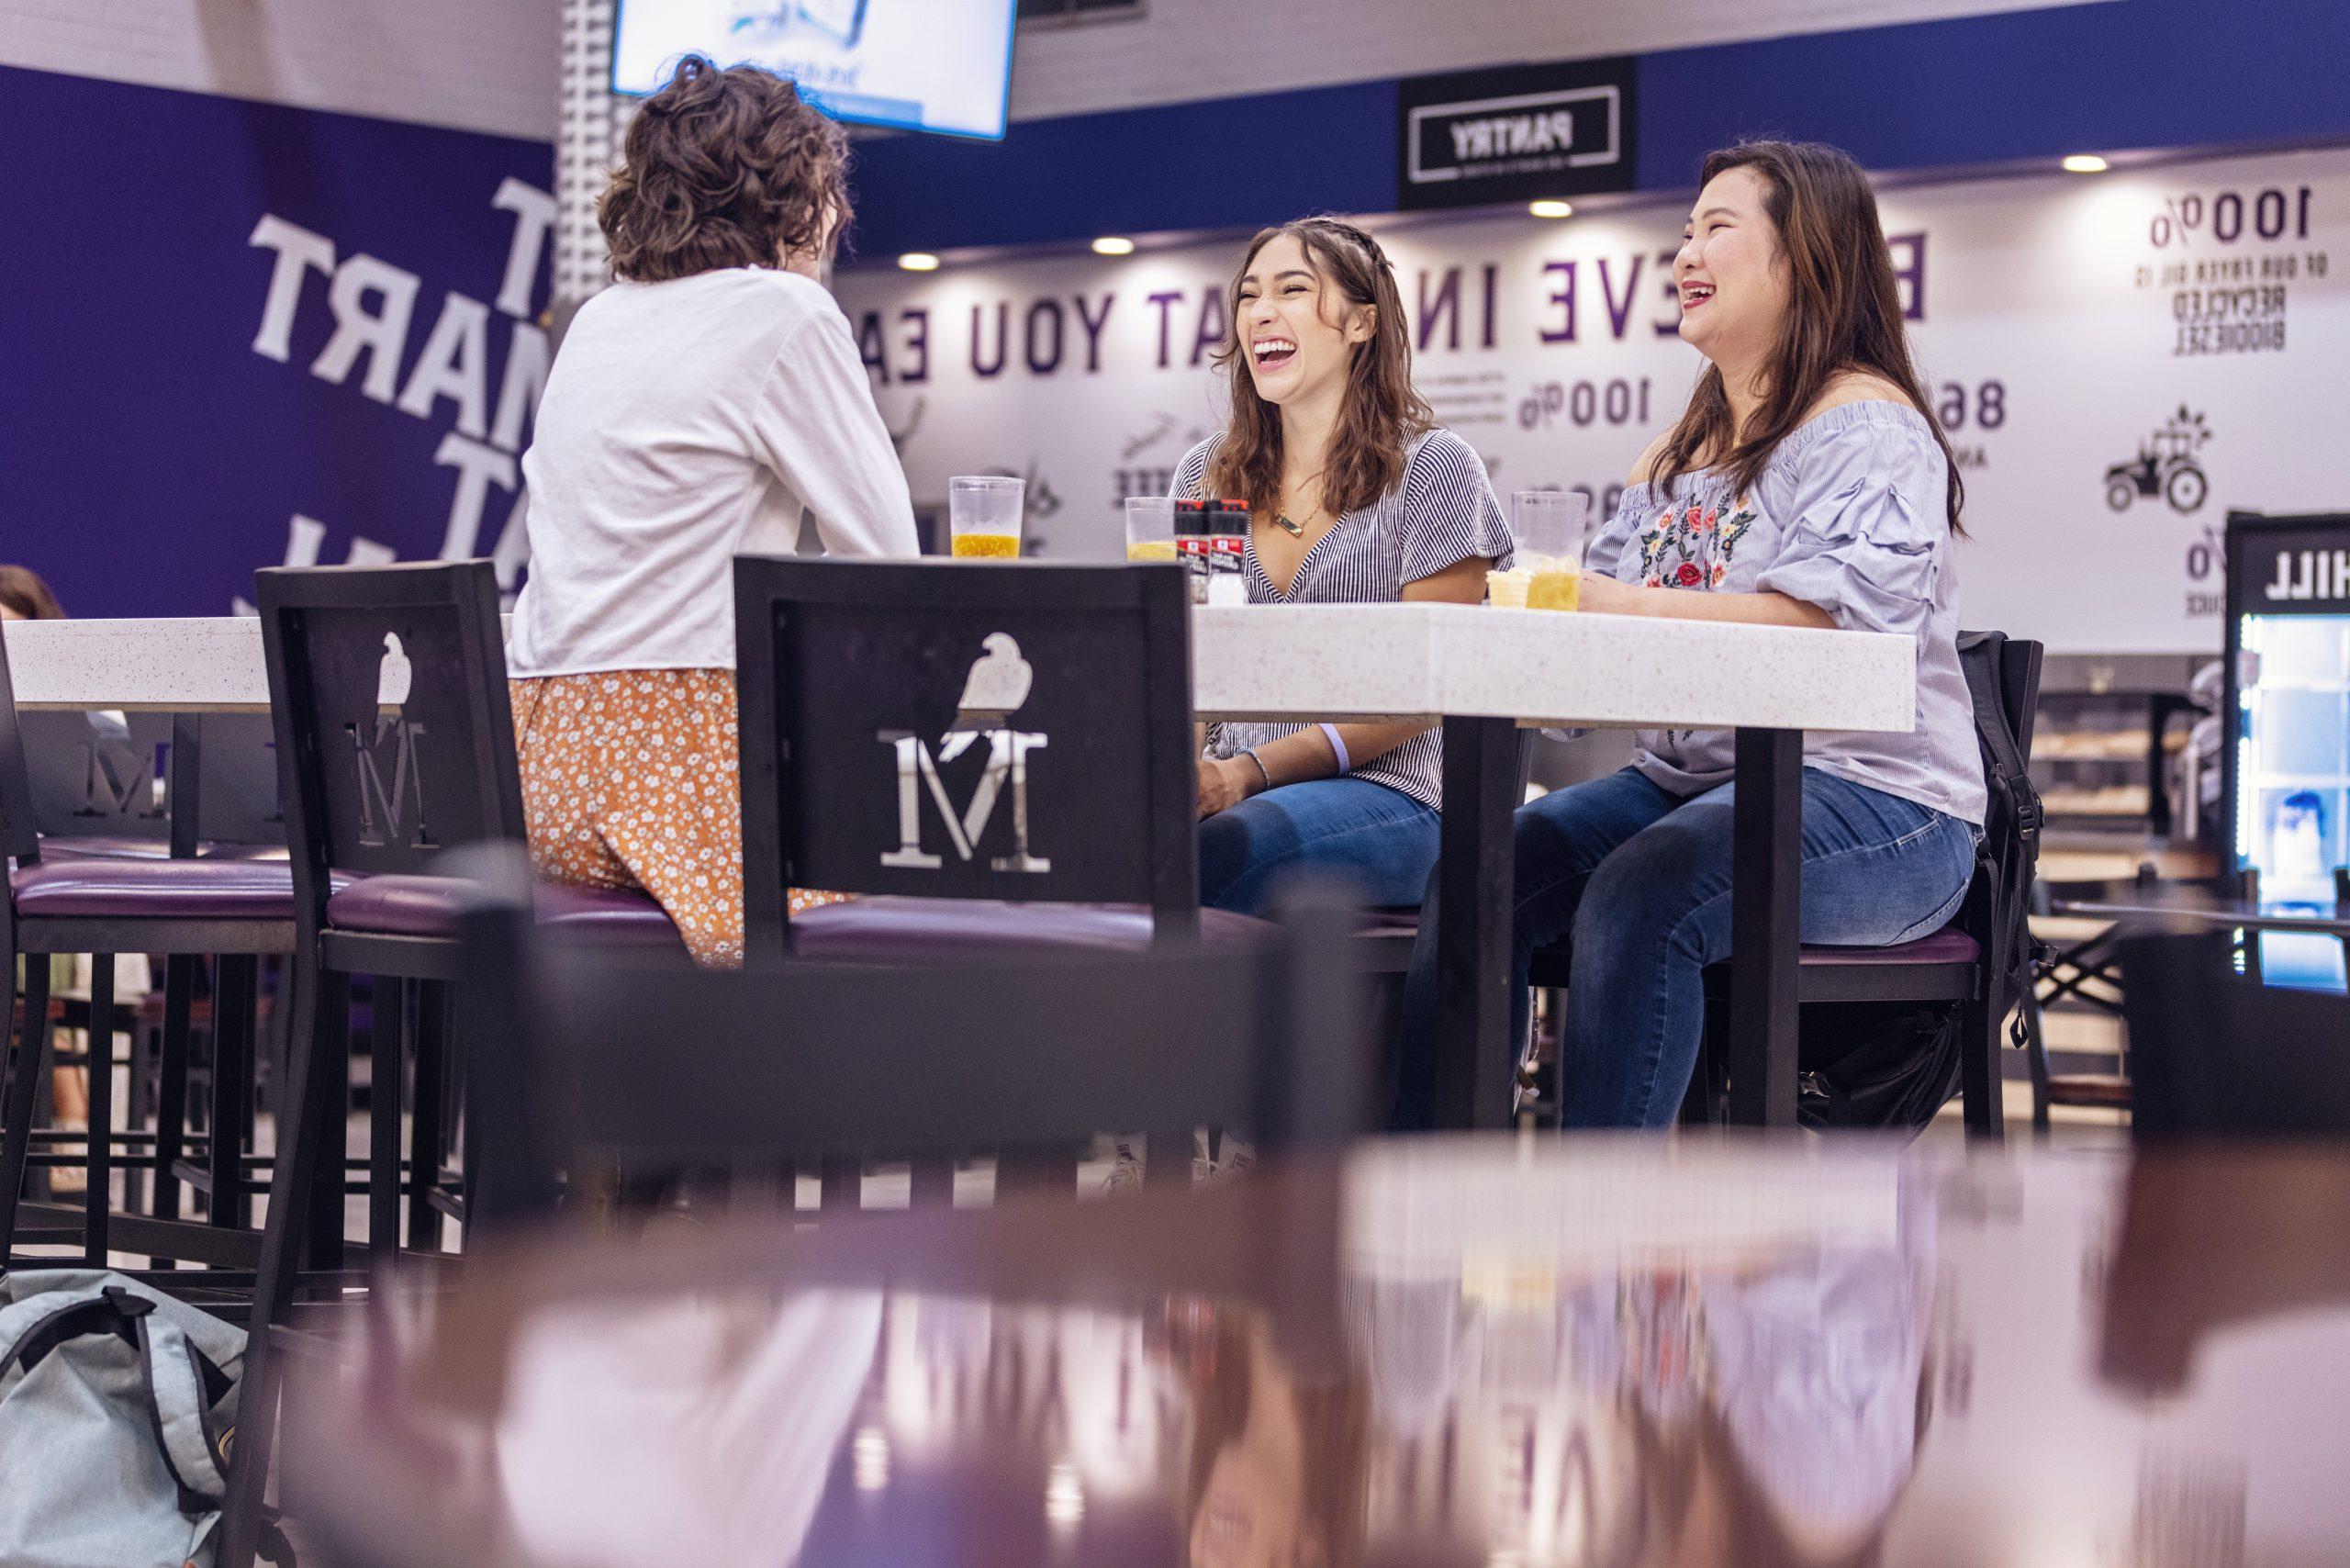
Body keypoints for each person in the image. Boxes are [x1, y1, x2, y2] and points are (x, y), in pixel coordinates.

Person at [1405, 140, 1986, 1128]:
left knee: (1644, 895)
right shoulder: (1675, 453)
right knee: (1476, 873)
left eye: (1717, 228)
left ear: (1803, 261)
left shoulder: (1866, 427)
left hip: (1885, 804)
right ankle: (1425, 1202)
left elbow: (1824, 635)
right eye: (1683, 232)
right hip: (1693, 783)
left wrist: (1609, 605)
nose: (1683, 255)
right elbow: (1604, 627)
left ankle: (1602, 1244)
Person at [507, 55, 920, 968]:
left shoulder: (597, 319)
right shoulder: (785, 313)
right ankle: (800, 1106)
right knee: (918, 905)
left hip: (535, 773)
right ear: (802, 196)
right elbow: (889, 561)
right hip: (672, 766)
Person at [1175, 218, 1511, 915]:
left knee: (1219, 858)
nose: (1262, 311)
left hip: (1403, 795)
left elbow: (1428, 689)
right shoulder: (1206, 477)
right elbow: (1197, 661)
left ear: (1361, 323)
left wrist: (1246, 773)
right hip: (1237, 782)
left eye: (1293, 290)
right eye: (1249, 296)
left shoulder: (1434, 467)